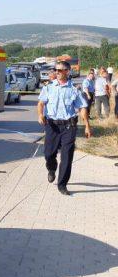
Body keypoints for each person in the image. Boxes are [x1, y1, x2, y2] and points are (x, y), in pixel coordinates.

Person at [37, 60, 91, 196]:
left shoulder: (74, 90)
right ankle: (51, 168)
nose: (57, 72)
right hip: (52, 126)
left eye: (60, 70)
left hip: (69, 126)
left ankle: (62, 185)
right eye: (56, 70)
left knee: (67, 156)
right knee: (49, 154)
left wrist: (87, 126)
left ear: (67, 71)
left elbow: (83, 108)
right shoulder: (48, 87)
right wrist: (40, 115)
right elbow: (41, 103)